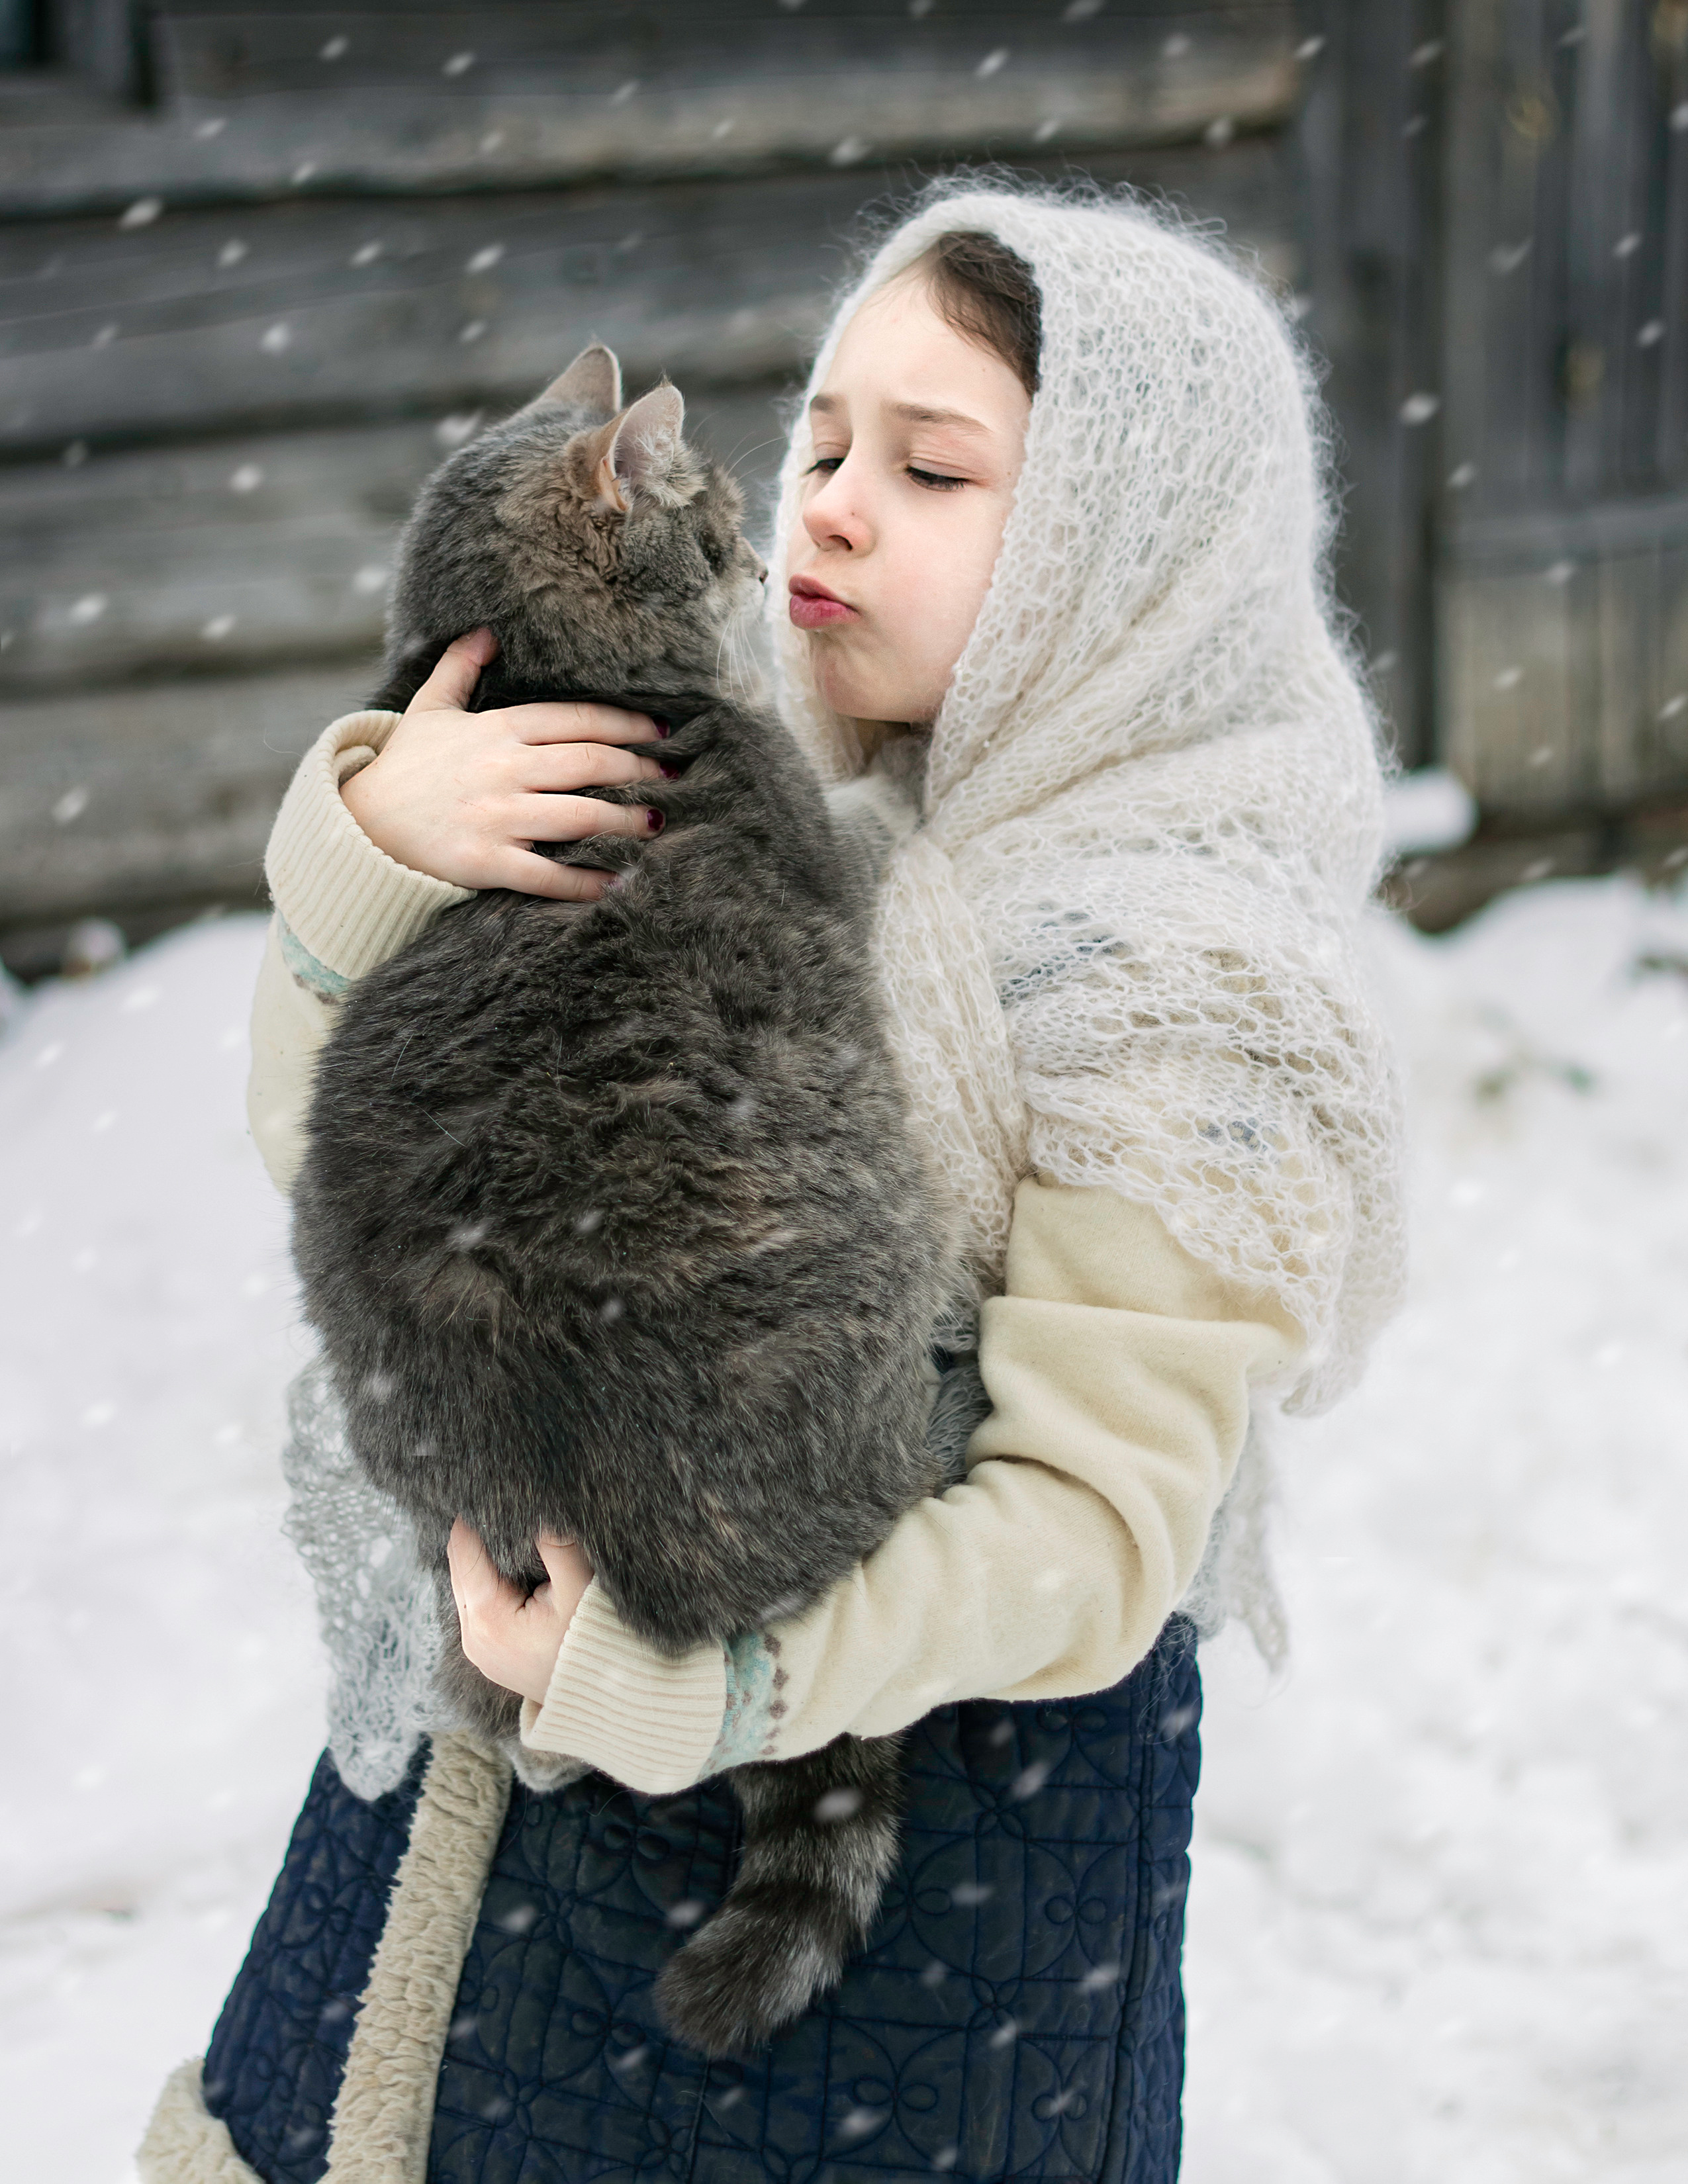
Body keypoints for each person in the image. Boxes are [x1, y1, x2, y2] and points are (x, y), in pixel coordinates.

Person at [139, 181, 1402, 2183]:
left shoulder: (1185, 991)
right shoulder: (739, 796)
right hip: (479, 1857)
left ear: (1122, 552)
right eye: (819, 440)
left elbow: (1089, 1538)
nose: (823, 504)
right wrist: (373, 855)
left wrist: (700, 1678)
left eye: (931, 467)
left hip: (907, 1940)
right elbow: (368, 1187)